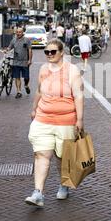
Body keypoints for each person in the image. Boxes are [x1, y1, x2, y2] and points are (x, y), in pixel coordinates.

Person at [26, 39, 84, 207]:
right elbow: (38, 90)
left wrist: (79, 119)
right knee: (42, 154)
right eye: (47, 52)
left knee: (61, 157)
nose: (49, 55)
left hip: (66, 120)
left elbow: (79, 96)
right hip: (43, 118)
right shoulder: (43, 69)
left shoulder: (72, 71)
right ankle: (38, 193)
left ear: (61, 53)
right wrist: (34, 108)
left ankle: (64, 184)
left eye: (53, 52)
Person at [7, 27, 32, 98]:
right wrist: (7, 50)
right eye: (17, 32)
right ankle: (19, 91)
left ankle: (26, 85)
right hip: (16, 61)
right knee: (17, 77)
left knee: (26, 77)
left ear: (23, 32)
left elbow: (30, 50)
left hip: (24, 61)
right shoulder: (13, 40)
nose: (18, 33)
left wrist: (29, 60)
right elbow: (10, 47)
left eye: (20, 32)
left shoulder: (27, 40)